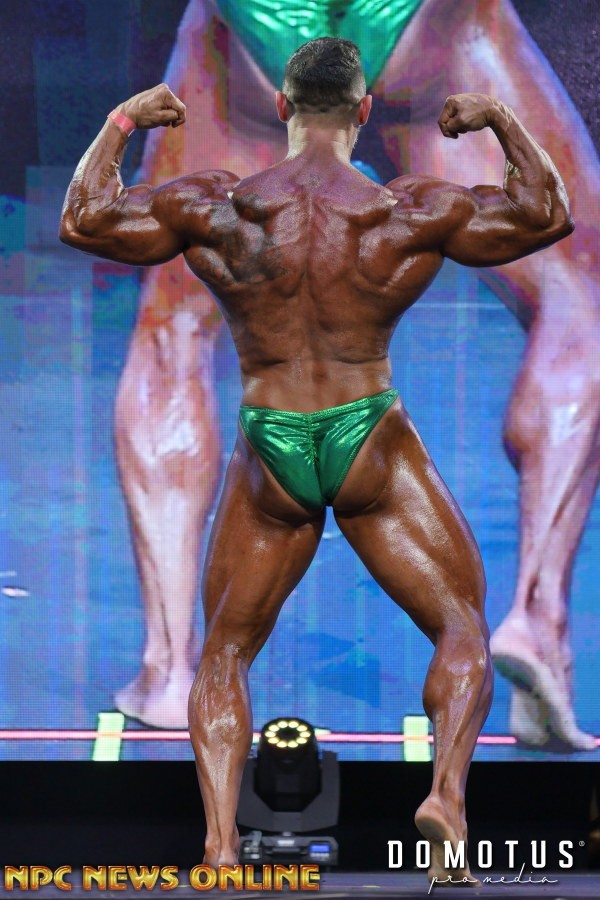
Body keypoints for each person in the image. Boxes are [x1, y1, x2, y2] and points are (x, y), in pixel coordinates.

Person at [61, 37, 573, 882]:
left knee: (225, 652)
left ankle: (220, 849)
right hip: (367, 431)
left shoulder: (220, 207)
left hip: (271, 439)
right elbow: (544, 214)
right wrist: (500, 121)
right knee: (459, 629)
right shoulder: (405, 210)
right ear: (365, 110)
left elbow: (84, 218)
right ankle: (447, 799)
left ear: (284, 108)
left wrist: (124, 121)